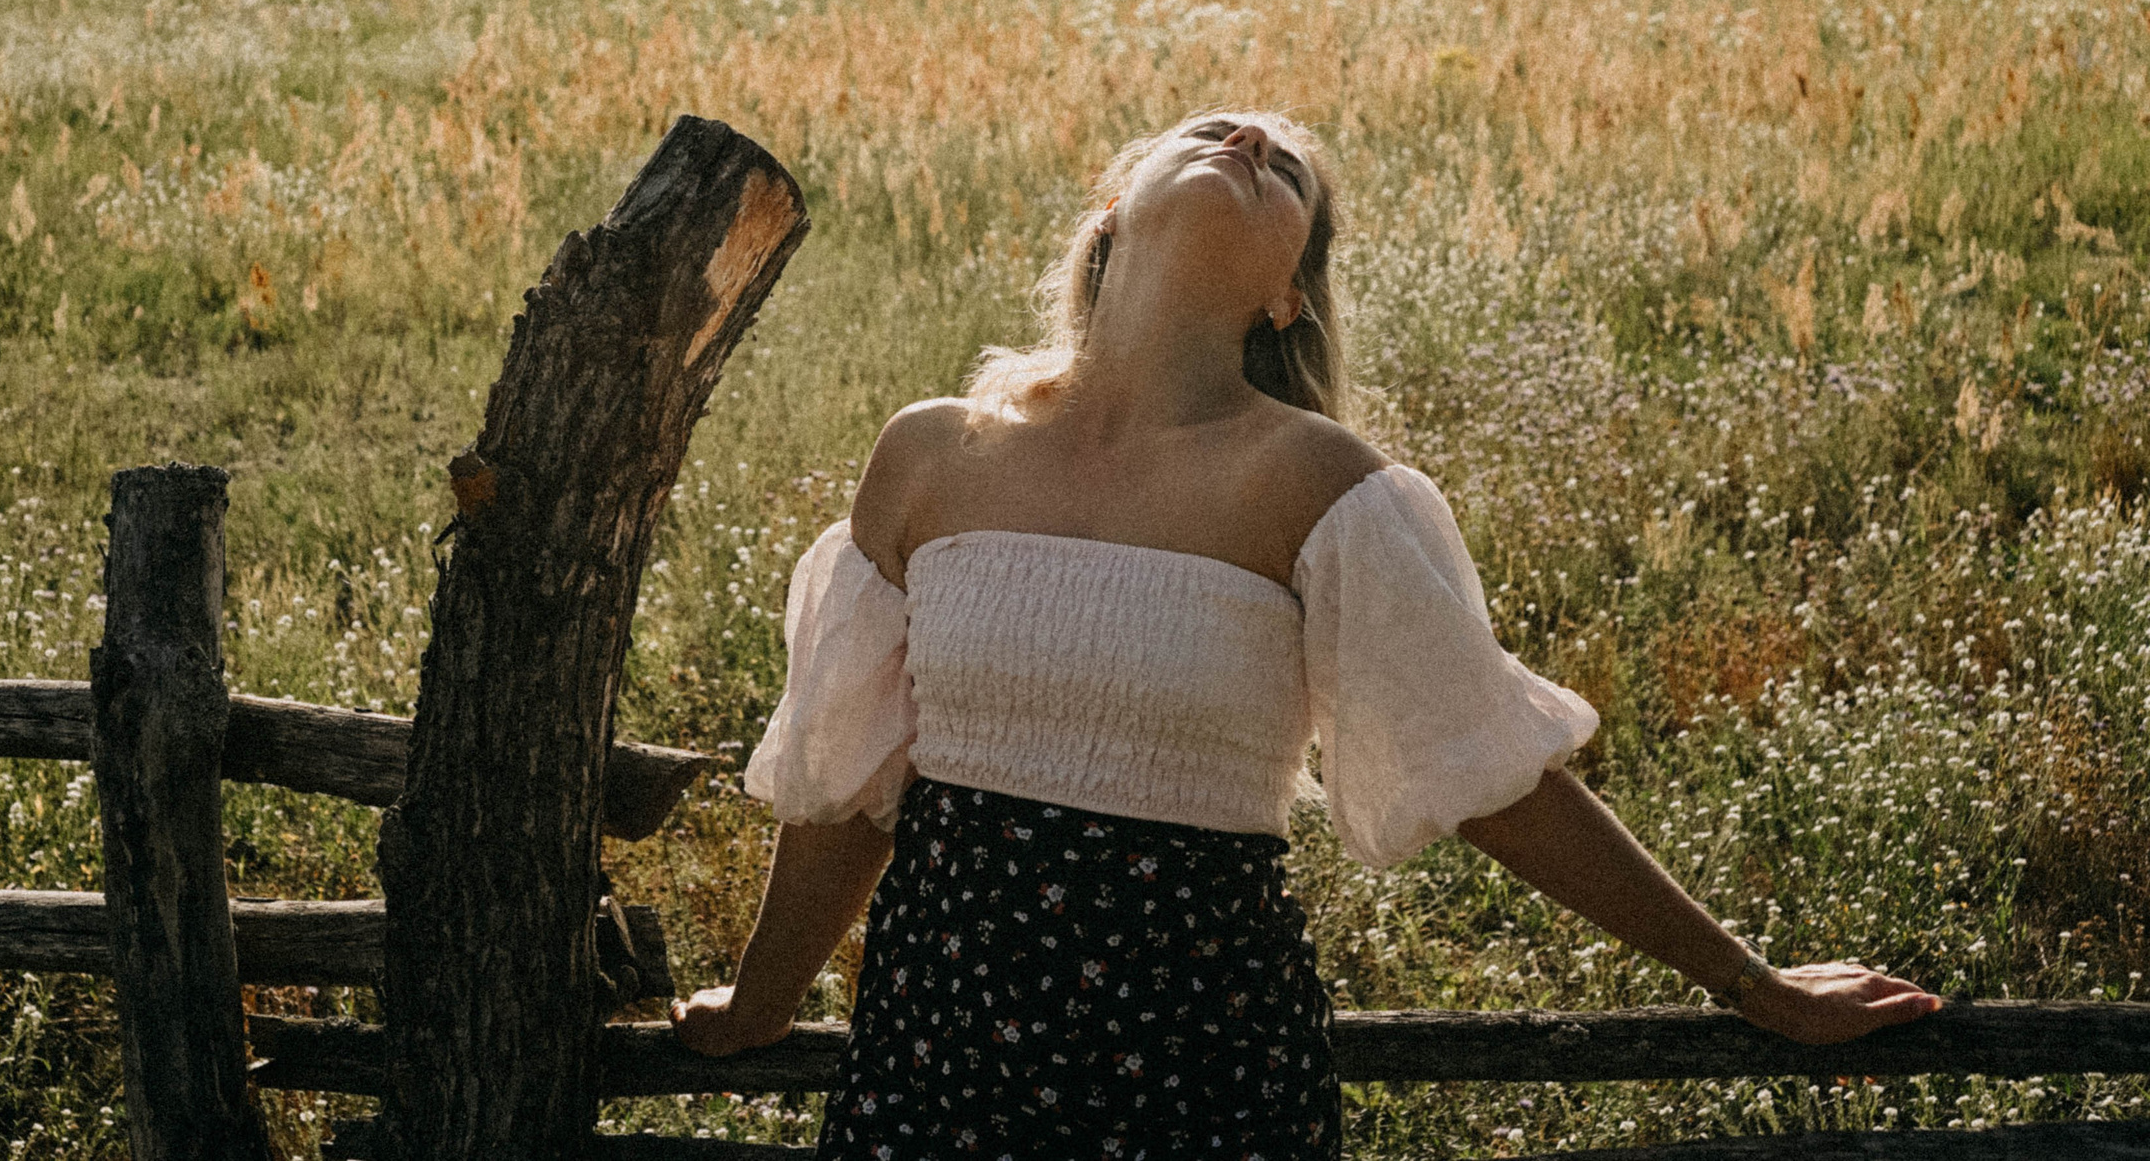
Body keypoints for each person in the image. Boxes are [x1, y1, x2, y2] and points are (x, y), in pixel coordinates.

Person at [670, 110, 1942, 1160]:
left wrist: (1749, 982)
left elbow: (1491, 777)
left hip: (1197, 1056)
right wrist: (768, 1001)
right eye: (1219, 131)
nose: (1251, 138)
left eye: (1288, 170)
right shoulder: (932, 452)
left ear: (1288, 293)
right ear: (1110, 211)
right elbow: (848, 782)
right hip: (940, 1043)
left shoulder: (1321, 486)